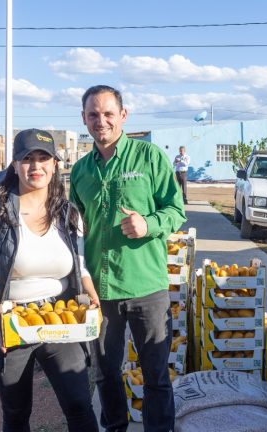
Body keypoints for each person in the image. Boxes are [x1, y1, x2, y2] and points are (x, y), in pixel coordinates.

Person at [70, 85, 186, 432]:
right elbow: (76, 229)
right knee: (105, 374)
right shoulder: (80, 171)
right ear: (84, 119)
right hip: (100, 293)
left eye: (108, 113)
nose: (100, 121)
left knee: (155, 376)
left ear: (123, 115)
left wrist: (148, 223)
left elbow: (176, 211)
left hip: (147, 288)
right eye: (93, 114)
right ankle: (115, 428)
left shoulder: (149, 157)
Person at [0, 128, 100, 431]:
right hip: (12, 320)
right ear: (14, 164)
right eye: (27, 158)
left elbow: (79, 267)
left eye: (44, 158)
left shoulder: (68, 214)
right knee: (16, 412)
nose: (36, 166)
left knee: (79, 403)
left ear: (55, 164)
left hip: (60, 317)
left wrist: (92, 297)